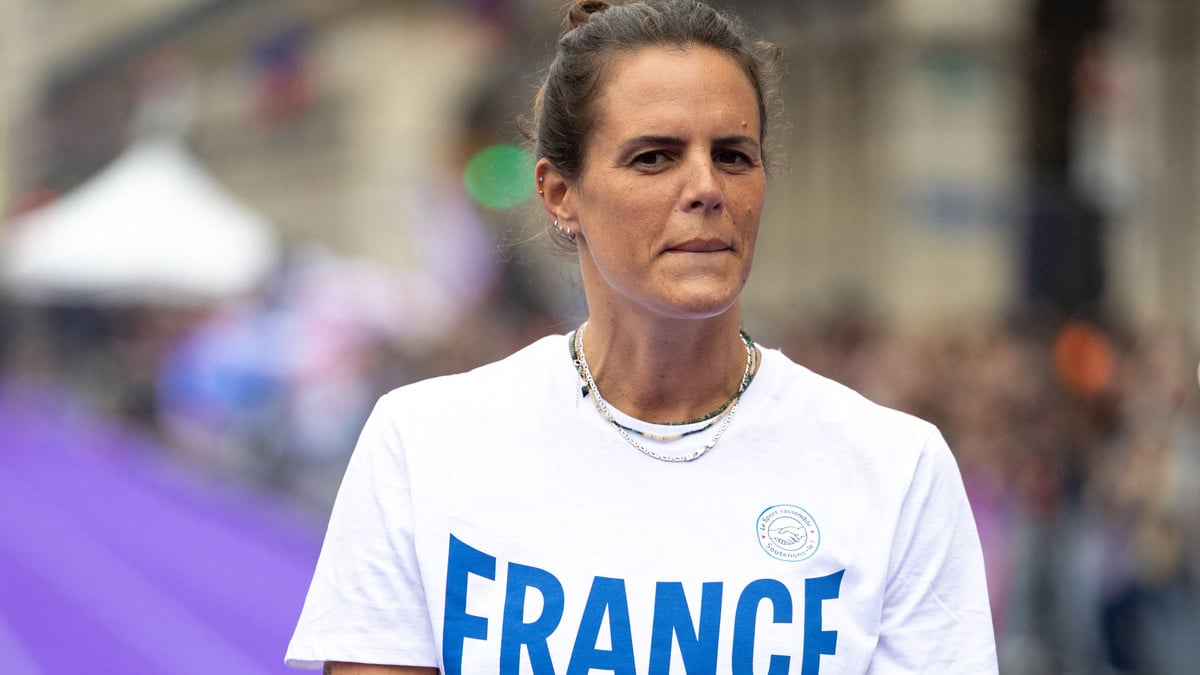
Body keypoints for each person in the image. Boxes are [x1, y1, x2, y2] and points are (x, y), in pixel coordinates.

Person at [285, 0, 998, 672]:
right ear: (560, 195)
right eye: (654, 156)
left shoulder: (894, 468)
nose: (706, 187)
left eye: (734, 155)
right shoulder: (423, 444)